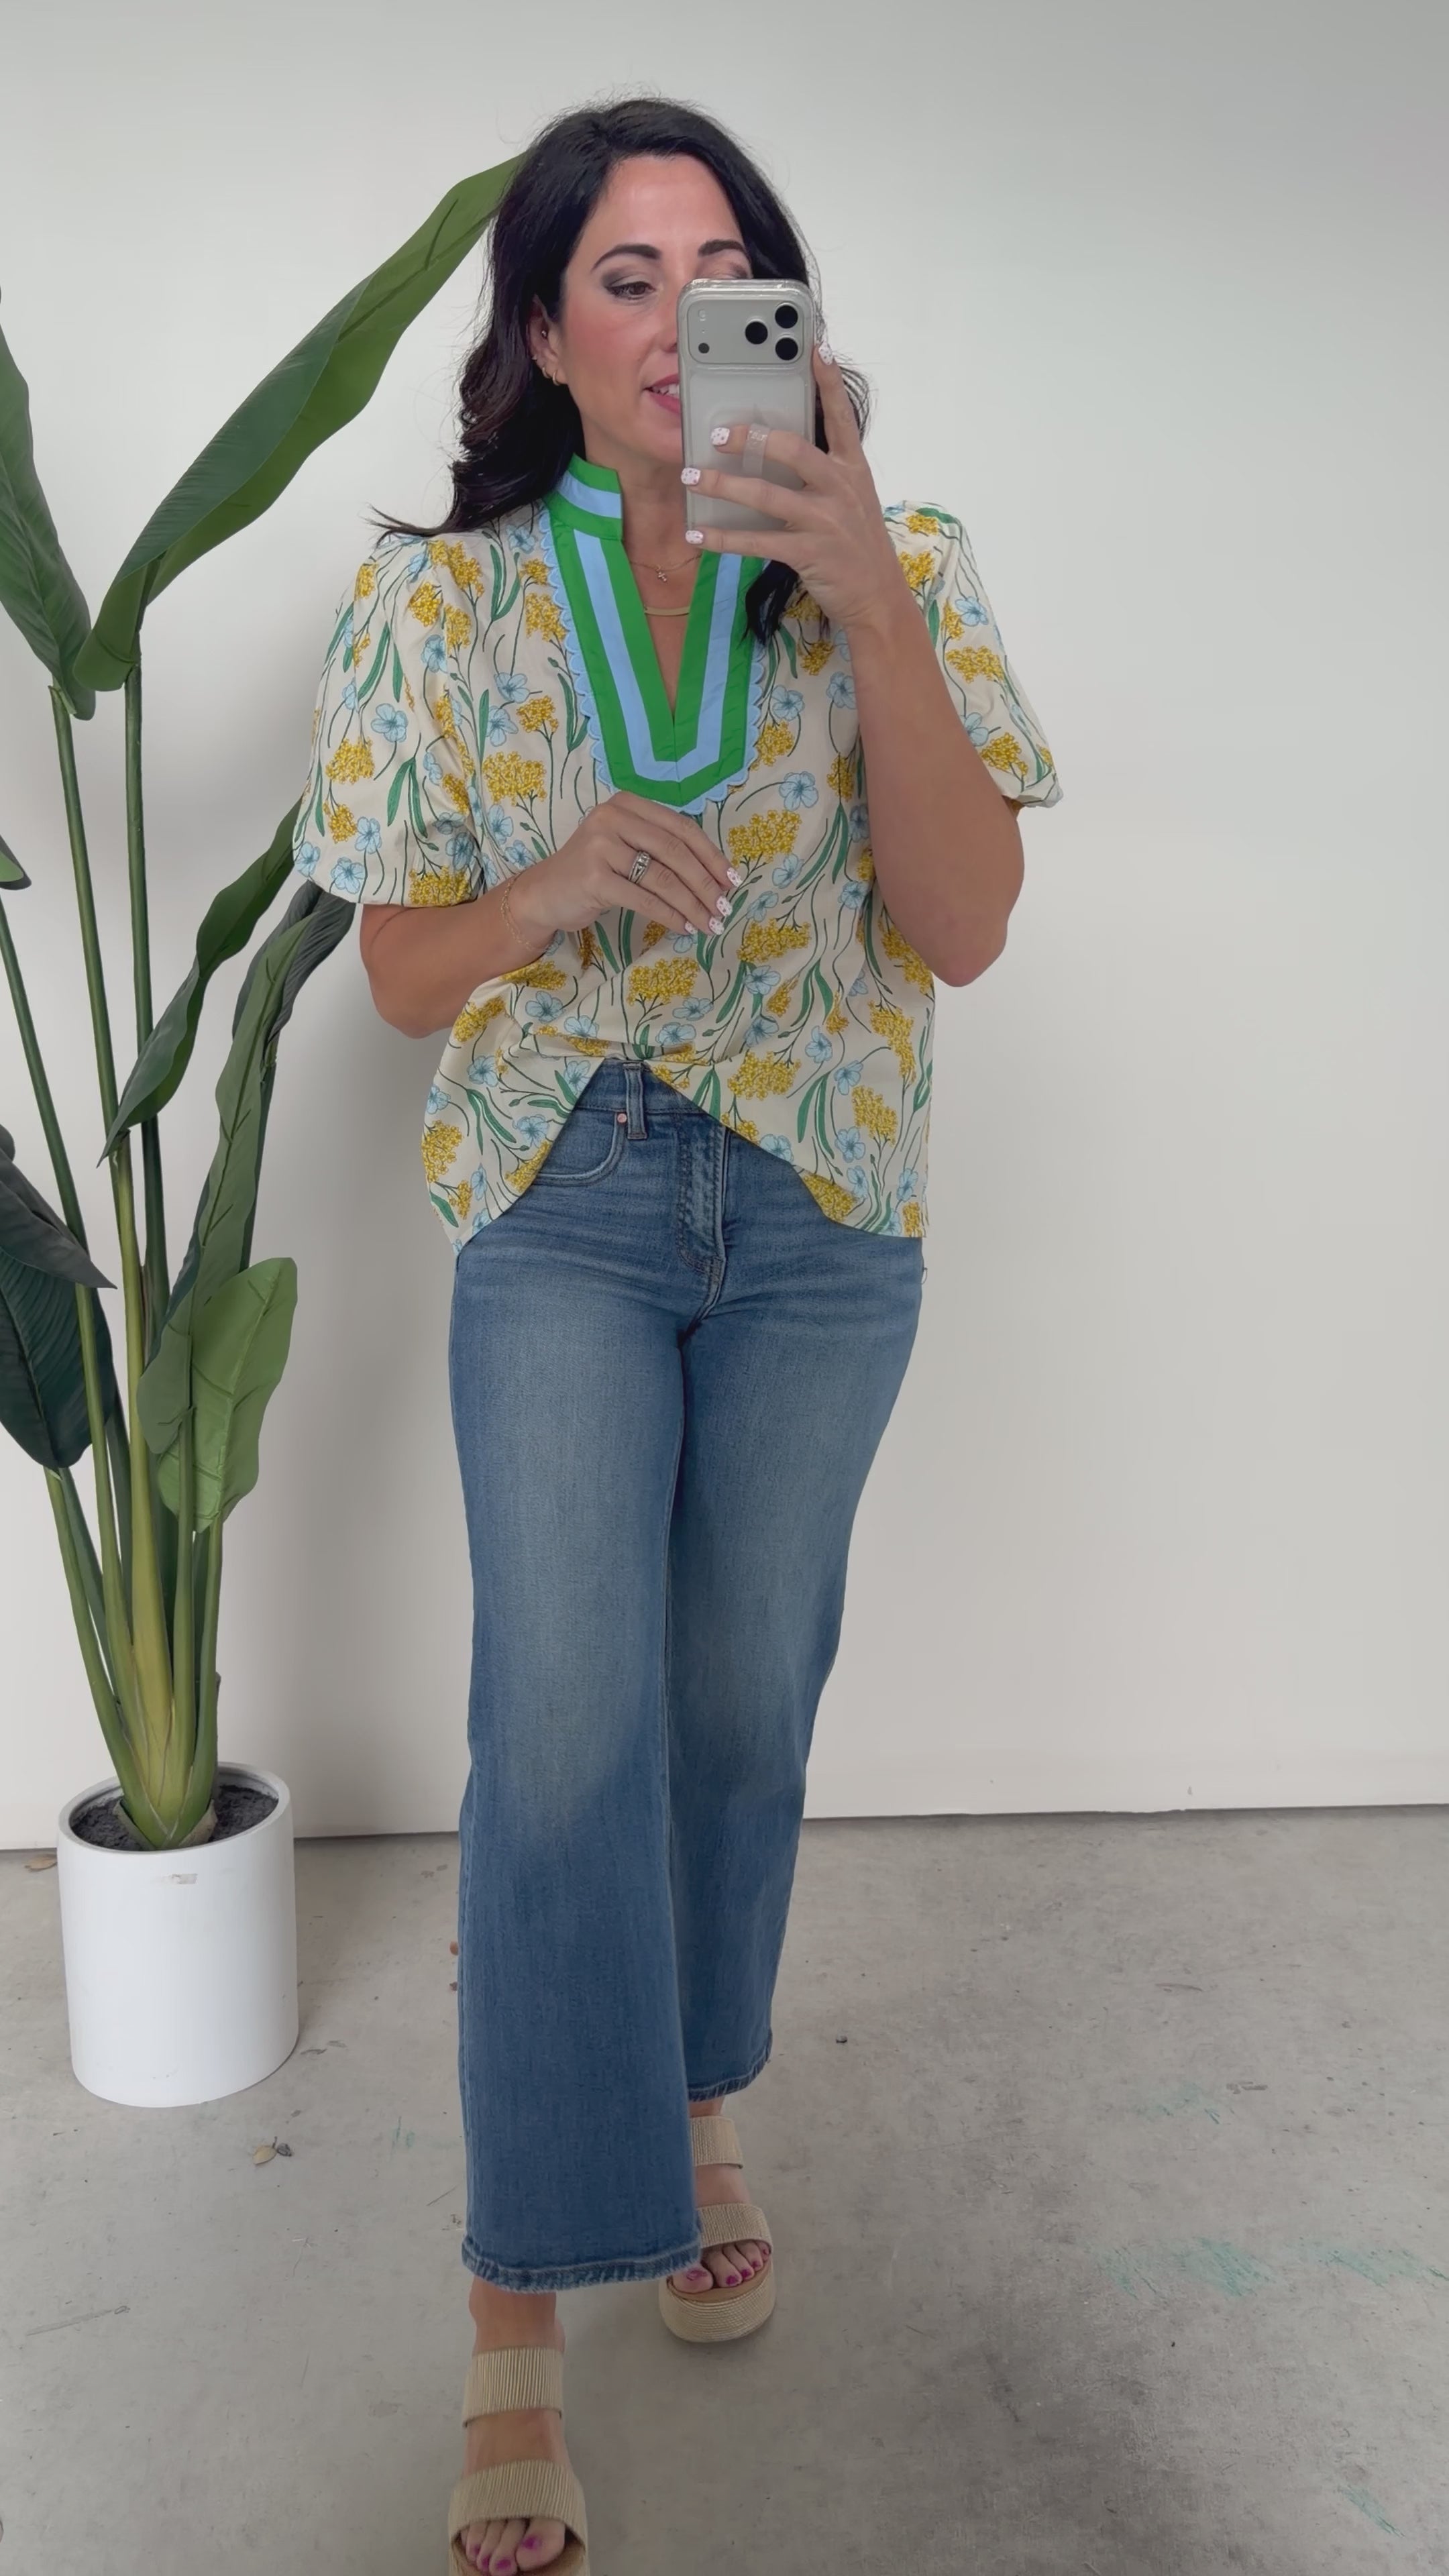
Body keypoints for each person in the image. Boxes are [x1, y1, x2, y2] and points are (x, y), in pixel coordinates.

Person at [291, 93, 1060, 2576]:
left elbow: (964, 928)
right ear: (541, 329)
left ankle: (700, 2106)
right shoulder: (442, 608)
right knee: (561, 1728)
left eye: (727, 275)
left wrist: (868, 597)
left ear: (785, 323)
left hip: (825, 1202)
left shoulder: (894, 568)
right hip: (568, 1195)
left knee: (741, 1706)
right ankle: (518, 2311)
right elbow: (401, 976)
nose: (678, 318)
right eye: (626, 277)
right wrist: (541, 892)